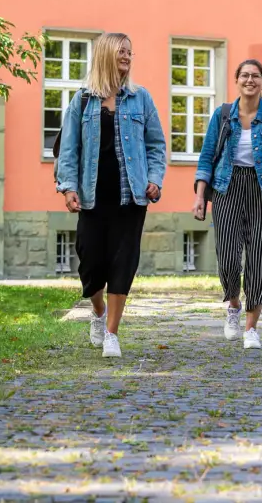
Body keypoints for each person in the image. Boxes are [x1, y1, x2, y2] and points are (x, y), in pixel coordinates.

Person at [56, 33, 167, 359]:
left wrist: (154, 180)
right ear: (105, 55)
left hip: (130, 196)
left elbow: (156, 146)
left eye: (130, 53)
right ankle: (98, 311)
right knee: (90, 264)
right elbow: (68, 149)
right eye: (121, 52)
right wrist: (68, 187)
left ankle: (112, 334)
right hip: (92, 196)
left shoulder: (140, 98)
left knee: (123, 263)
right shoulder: (83, 100)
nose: (127, 57)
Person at [192, 59, 262, 350]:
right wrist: (200, 195)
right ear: (237, 80)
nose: (250, 80)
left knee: (259, 258)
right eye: (245, 75)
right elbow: (206, 157)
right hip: (227, 186)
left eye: (256, 76)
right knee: (227, 255)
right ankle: (234, 305)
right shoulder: (222, 114)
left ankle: (252, 327)